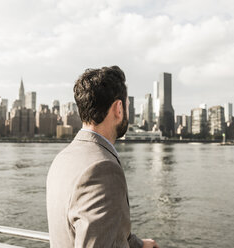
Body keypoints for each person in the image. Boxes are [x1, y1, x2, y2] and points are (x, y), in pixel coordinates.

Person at [46, 66, 159, 248]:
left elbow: (103, 231)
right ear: (119, 108)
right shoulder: (103, 168)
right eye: (128, 107)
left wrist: (139, 245)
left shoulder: (62, 158)